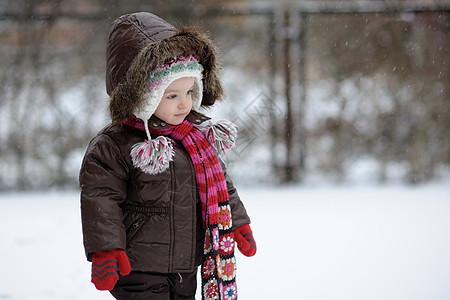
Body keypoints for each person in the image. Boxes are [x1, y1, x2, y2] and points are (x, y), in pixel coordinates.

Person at [79, 12, 257, 300]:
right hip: (138, 267)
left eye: (189, 91)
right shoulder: (115, 144)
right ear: (142, 96)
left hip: (187, 266)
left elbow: (221, 182)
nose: (184, 103)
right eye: (171, 95)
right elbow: (100, 199)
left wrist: (237, 220)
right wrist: (107, 248)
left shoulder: (196, 137)